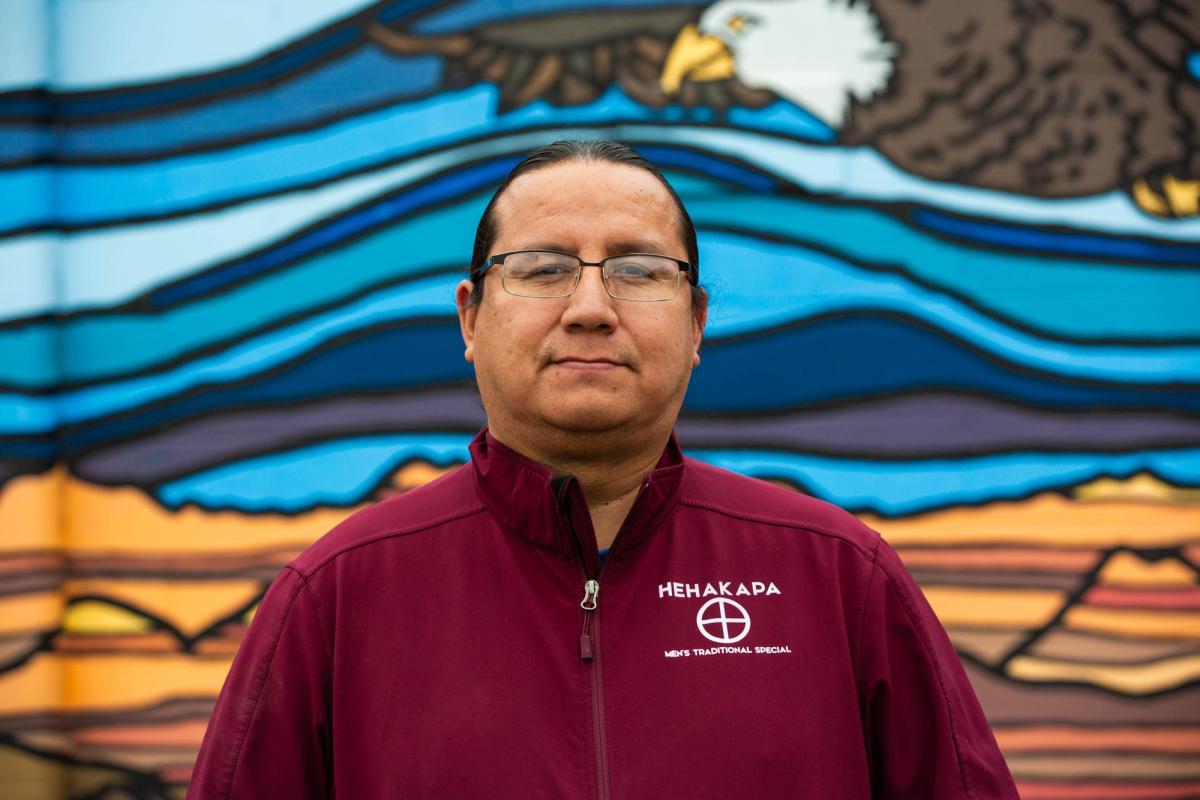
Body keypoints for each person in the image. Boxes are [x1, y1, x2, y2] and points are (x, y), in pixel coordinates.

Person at [187, 140, 1019, 798]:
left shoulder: (840, 577)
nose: (590, 309)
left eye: (638, 271)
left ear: (696, 323)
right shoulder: (336, 594)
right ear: (471, 317)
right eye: (543, 269)